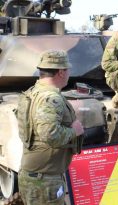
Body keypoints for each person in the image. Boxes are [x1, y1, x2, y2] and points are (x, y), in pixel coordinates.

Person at [17, 50, 85, 205]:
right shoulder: (50, 98)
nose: (69, 73)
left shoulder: (34, 92)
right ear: (61, 72)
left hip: (39, 176)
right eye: (68, 69)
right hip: (44, 180)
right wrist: (75, 131)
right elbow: (50, 135)